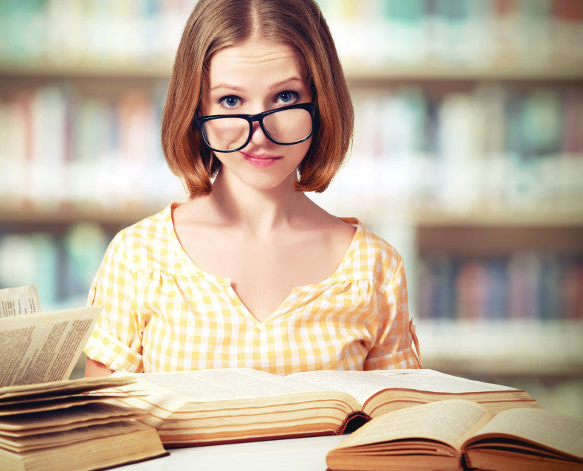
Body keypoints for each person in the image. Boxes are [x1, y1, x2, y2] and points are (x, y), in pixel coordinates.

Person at [84, 0, 420, 377]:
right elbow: (105, 429)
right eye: (230, 101)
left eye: (286, 97)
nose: (259, 135)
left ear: (321, 102)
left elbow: (397, 426)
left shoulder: (375, 269)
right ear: (196, 110)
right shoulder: (137, 258)